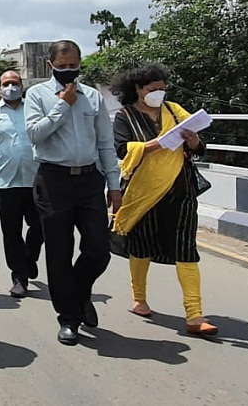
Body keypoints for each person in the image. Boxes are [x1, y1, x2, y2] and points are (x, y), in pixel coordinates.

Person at [24, 40, 122, 346]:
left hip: (89, 180)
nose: (68, 71)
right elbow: (35, 134)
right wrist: (62, 105)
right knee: (59, 252)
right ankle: (68, 318)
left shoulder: (92, 96)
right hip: (54, 181)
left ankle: (80, 295)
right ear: (50, 65)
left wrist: (114, 185)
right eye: (62, 66)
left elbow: (105, 143)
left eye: (73, 65)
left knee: (98, 249)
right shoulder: (37, 95)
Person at [110, 64, 217, 336]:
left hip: (180, 190)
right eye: (152, 90)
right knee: (141, 246)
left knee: (186, 249)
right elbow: (123, 149)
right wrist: (161, 143)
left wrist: (191, 140)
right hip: (142, 192)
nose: (159, 94)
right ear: (137, 89)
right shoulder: (125, 116)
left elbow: (198, 146)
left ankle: (194, 315)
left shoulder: (174, 110)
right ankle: (140, 299)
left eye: (162, 89)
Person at [0, 70, 43, 298]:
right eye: (6, 83)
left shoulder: (34, 111)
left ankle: (30, 257)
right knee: (11, 232)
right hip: (4, 183)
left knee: (41, 226)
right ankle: (19, 277)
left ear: (22, 86)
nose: (11, 87)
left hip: (36, 179)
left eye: (15, 83)